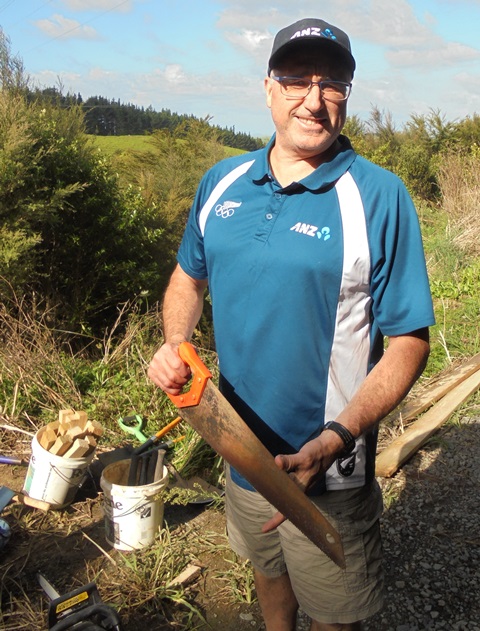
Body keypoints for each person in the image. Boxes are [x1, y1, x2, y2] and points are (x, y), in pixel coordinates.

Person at [148, 17, 435, 631]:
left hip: (327, 470)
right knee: (269, 573)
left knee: (334, 615)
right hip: (239, 450)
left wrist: (336, 439)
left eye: (331, 83)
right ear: (269, 89)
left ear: (347, 95)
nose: (314, 99)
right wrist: (175, 343)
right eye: (297, 80)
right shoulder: (222, 181)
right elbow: (187, 279)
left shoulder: (379, 197)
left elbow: (409, 342)